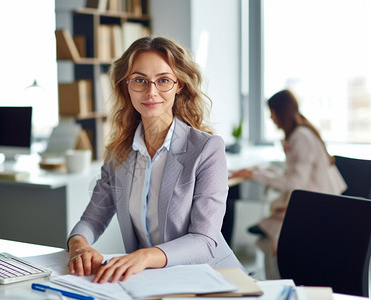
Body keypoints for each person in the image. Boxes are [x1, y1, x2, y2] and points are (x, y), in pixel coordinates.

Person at [67, 36, 245, 284]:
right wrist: (79, 245)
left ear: (179, 85)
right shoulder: (118, 152)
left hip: (212, 278)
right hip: (151, 283)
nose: (151, 92)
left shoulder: (206, 149)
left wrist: (143, 257)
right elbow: (92, 219)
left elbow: (204, 241)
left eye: (163, 80)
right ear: (126, 85)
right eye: (140, 80)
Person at [230, 89, 346, 278]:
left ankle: (278, 281)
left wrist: (255, 175)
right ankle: (277, 279)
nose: (270, 117)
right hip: (317, 200)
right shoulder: (301, 132)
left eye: (272, 112)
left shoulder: (300, 137)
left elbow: (294, 182)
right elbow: (291, 175)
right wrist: (255, 172)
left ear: (280, 111)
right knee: (269, 228)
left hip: (317, 207)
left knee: (271, 236)